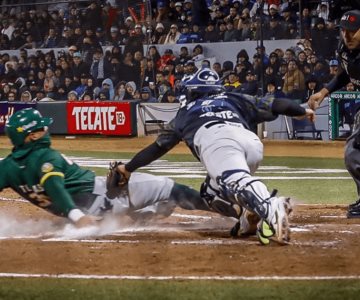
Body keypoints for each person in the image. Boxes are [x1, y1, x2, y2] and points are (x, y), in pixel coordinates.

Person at [118, 67, 315, 245]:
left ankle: (272, 207)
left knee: (235, 181)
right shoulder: (233, 98)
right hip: (250, 142)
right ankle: (247, 215)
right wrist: (301, 111)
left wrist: (128, 168)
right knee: (210, 192)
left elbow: (157, 148)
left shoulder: (185, 112)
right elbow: (276, 103)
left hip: (217, 141)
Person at [1, 108, 210, 228]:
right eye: (41, 128)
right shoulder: (46, 156)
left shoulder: (8, 166)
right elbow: (54, 186)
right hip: (102, 199)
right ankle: (227, 209)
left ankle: (142, 215)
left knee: (156, 203)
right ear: (33, 135)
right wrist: (77, 217)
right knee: (168, 188)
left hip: (92, 205)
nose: (46, 130)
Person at [308, 10, 360, 219]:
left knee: (353, 151)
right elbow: (346, 74)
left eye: (353, 31)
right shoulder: (345, 49)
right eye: (344, 31)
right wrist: (323, 91)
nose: (347, 36)